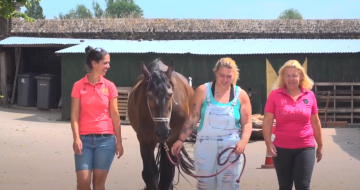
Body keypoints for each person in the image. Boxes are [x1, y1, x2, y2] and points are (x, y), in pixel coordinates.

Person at [172, 57, 253, 190]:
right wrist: (180, 139)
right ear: (216, 73)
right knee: (205, 184)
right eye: (221, 75)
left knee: (229, 185)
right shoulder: (203, 91)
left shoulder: (241, 95)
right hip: (205, 146)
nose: (225, 80)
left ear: (234, 76)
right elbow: (193, 118)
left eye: (229, 76)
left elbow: (247, 123)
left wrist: (243, 141)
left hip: (231, 146)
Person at [262, 60, 323, 190]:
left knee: (303, 185)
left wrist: (321, 145)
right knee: (285, 186)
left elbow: (315, 122)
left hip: (305, 147)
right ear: (283, 77)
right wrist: (268, 143)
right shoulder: (275, 95)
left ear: (301, 76)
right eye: (287, 75)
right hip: (281, 148)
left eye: (294, 75)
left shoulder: (310, 95)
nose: (291, 79)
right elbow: (267, 122)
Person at [70, 46, 124, 190]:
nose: (108, 66)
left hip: (106, 141)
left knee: (99, 184)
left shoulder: (110, 86)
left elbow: (115, 115)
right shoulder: (78, 86)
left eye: (108, 63)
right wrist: (76, 138)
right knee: (83, 183)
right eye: (105, 63)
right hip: (84, 140)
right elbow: (74, 115)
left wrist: (119, 141)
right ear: (94, 63)